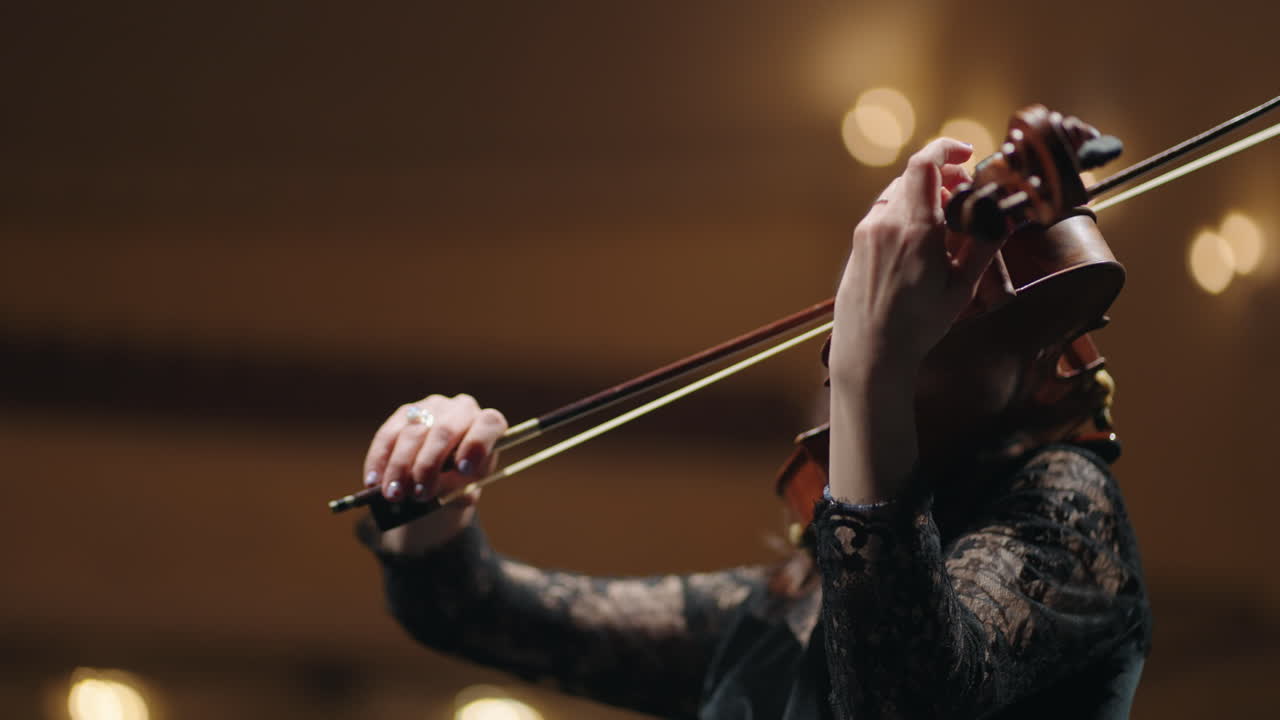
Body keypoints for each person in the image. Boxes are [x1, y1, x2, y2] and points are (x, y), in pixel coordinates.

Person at [354, 138, 1152, 719]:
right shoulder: (781, 610)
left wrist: (876, 370)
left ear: (1039, 370)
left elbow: (902, 698)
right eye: (862, 318)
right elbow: (478, 611)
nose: (858, 335)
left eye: (953, 318)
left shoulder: (1062, 501)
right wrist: (431, 502)